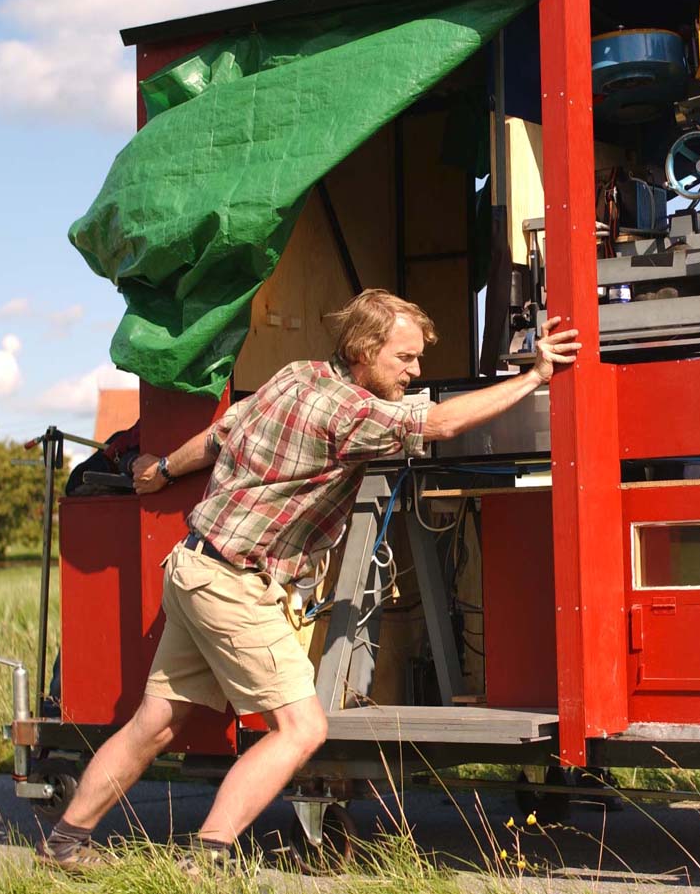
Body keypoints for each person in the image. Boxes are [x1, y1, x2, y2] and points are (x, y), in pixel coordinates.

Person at [36, 290, 580, 873]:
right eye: (405, 358)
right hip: (234, 585)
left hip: (193, 566)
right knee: (301, 728)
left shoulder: (296, 375)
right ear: (365, 350)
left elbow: (222, 434)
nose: (416, 370)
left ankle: (65, 842)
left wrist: (164, 468)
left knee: (155, 724)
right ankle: (207, 861)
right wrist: (535, 377)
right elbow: (440, 422)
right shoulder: (351, 412)